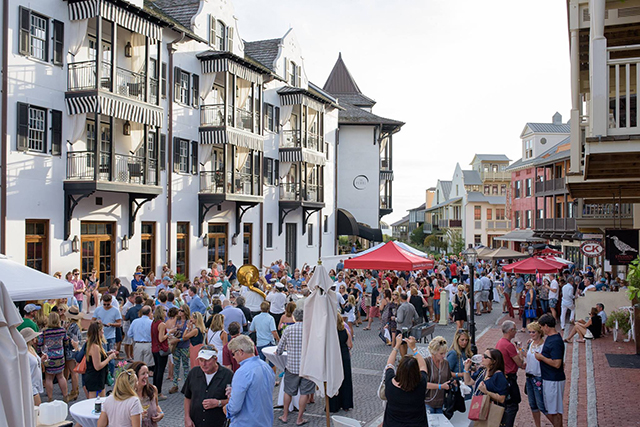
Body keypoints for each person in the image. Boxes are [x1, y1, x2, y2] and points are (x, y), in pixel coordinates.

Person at [226, 335, 276, 426]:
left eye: (233, 354)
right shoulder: (266, 366)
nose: (233, 357)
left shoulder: (242, 372)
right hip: (265, 421)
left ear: (240, 352)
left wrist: (227, 409)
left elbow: (234, 407)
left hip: (246, 422)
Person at [276, 308, 313, 425]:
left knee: (288, 391)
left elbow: (280, 349)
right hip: (306, 366)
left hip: (292, 365)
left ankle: (285, 415)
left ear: (294, 317)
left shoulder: (288, 330)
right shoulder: (310, 330)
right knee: (304, 393)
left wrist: (278, 352)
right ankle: (299, 418)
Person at [182, 344, 233, 427]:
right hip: (196, 423)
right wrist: (187, 418)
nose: (203, 364)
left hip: (218, 423)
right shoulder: (194, 373)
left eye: (207, 360)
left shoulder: (228, 375)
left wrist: (219, 403)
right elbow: (188, 397)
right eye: (201, 360)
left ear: (215, 359)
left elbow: (234, 401)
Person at [382, 334, 428, 426]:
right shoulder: (421, 384)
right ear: (416, 371)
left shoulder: (390, 384)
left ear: (399, 370)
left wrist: (397, 346)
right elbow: (423, 366)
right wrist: (414, 348)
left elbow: (389, 364)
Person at [536, 314, 565, 427]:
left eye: (541, 327)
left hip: (553, 379)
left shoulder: (555, 341)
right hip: (549, 378)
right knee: (553, 409)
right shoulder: (551, 338)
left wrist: (542, 358)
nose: (541, 329)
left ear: (547, 326)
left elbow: (557, 363)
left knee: (555, 411)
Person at [462, 348, 508, 418]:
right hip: (479, 407)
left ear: (493, 361)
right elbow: (468, 382)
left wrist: (486, 391)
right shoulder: (482, 370)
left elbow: (501, 399)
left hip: (490, 411)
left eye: (485, 357)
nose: (482, 358)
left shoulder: (499, 375)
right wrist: (466, 368)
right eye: (483, 355)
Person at [495, 320, 524, 427]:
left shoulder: (500, 342)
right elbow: (520, 363)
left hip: (503, 376)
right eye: (515, 330)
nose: (516, 332)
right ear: (511, 330)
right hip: (509, 378)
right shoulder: (508, 345)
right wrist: (520, 350)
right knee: (512, 405)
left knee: (505, 405)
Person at [37, 312, 70, 402]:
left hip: (48, 357)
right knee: (61, 376)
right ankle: (65, 396)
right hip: (60, 356)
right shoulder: (62, 330)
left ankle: (50, 398)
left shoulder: (45, 331)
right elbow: (66, 341)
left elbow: (39, 344)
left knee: (49, 378)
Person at [329, 313, 354, 412]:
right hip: (344, 356)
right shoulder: (345, 331)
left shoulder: (330, 333)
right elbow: (350, 345)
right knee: (346, 380)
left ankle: (334, 405)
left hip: (334, 357)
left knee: (334, 380)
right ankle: (346, 404)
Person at [92, 293, 122, 374]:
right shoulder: (98, 309)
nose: (106, 306)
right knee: (102, 357)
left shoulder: (115, 310)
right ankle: (103, 374)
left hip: (110, 336)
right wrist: (97, 322)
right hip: (100, 336)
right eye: (104, 304)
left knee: (111, 358)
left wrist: (111, 324)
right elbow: (92, 321)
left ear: (111, 301)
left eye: (108, 304)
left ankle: (111, 375)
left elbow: (119, 323)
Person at [85, 322, 117, 398]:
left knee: (100, 400)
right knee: (95, 402)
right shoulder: (95, 346)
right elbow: (97, 366)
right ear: (97, 332)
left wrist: (107, 354)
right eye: (101, 330)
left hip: (98, 377)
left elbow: (98, 357)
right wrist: (110, 358)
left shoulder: (93, 344)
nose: (103, 331)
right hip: (95, 378)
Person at [524, 322, 547, 427]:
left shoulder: (543, 346)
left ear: (539, 332)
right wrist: (521, 350)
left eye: (534, 332)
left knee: (541, 405)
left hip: (538, 377)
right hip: (529, 376)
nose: (531, 334)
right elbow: (529, 357)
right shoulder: (531, 343)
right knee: (533, 405)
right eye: (530, 332)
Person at [424, 336, 453, 414]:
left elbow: (448, 379)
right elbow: (423, 384)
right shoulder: (426, 362)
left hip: (441, 403)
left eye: (445, 353)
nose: (444, 356)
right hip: (427, 402)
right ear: (433, 352)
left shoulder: (446, 363)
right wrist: (440, 386)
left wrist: (453, 383)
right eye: (441, 353)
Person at [131, 361, 164, 427]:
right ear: (135, 376)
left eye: (147, 373)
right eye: (143, 374)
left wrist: (161, 414)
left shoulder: (153, 389)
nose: (146, 376)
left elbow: (157, 405)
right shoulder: (130, 394)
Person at [169, 304, 192, 394]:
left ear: (185, 312)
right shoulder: (176, 320)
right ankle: (175, 384)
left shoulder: (188, 321)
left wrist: (179, 338)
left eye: (181, 310)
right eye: (179, 310)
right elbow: (171, 329)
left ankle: (186, 385)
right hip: (177, 346)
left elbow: (188, 335)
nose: (180, 312)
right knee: (176, 365)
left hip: (185, 345)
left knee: (186, 366)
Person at [21, 328, 46, 406]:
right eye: (34, 337)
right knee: (37, 409)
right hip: (31, 385)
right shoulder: (24, 353)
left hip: (35, 383)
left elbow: (33, 363)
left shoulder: (31, 349)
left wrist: (41, 360)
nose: (36, 339)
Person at [63, 306, 83, 401]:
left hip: (70, 351)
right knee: (72, 371)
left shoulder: (72, 327)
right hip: (73, 350)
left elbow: (69, 339)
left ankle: (74, 391)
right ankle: (74, 390)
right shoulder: (76, 326)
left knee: (73, 372)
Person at [150, 306, 169, 400]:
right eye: (165, 311)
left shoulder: (153, 323)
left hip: (154, 348)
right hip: (160, 349)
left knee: (156, 370)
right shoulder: (162, 324)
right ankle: (159, 392)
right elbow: (161, 338)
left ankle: (154, 390)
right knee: (160, 371)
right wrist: (169, 333)